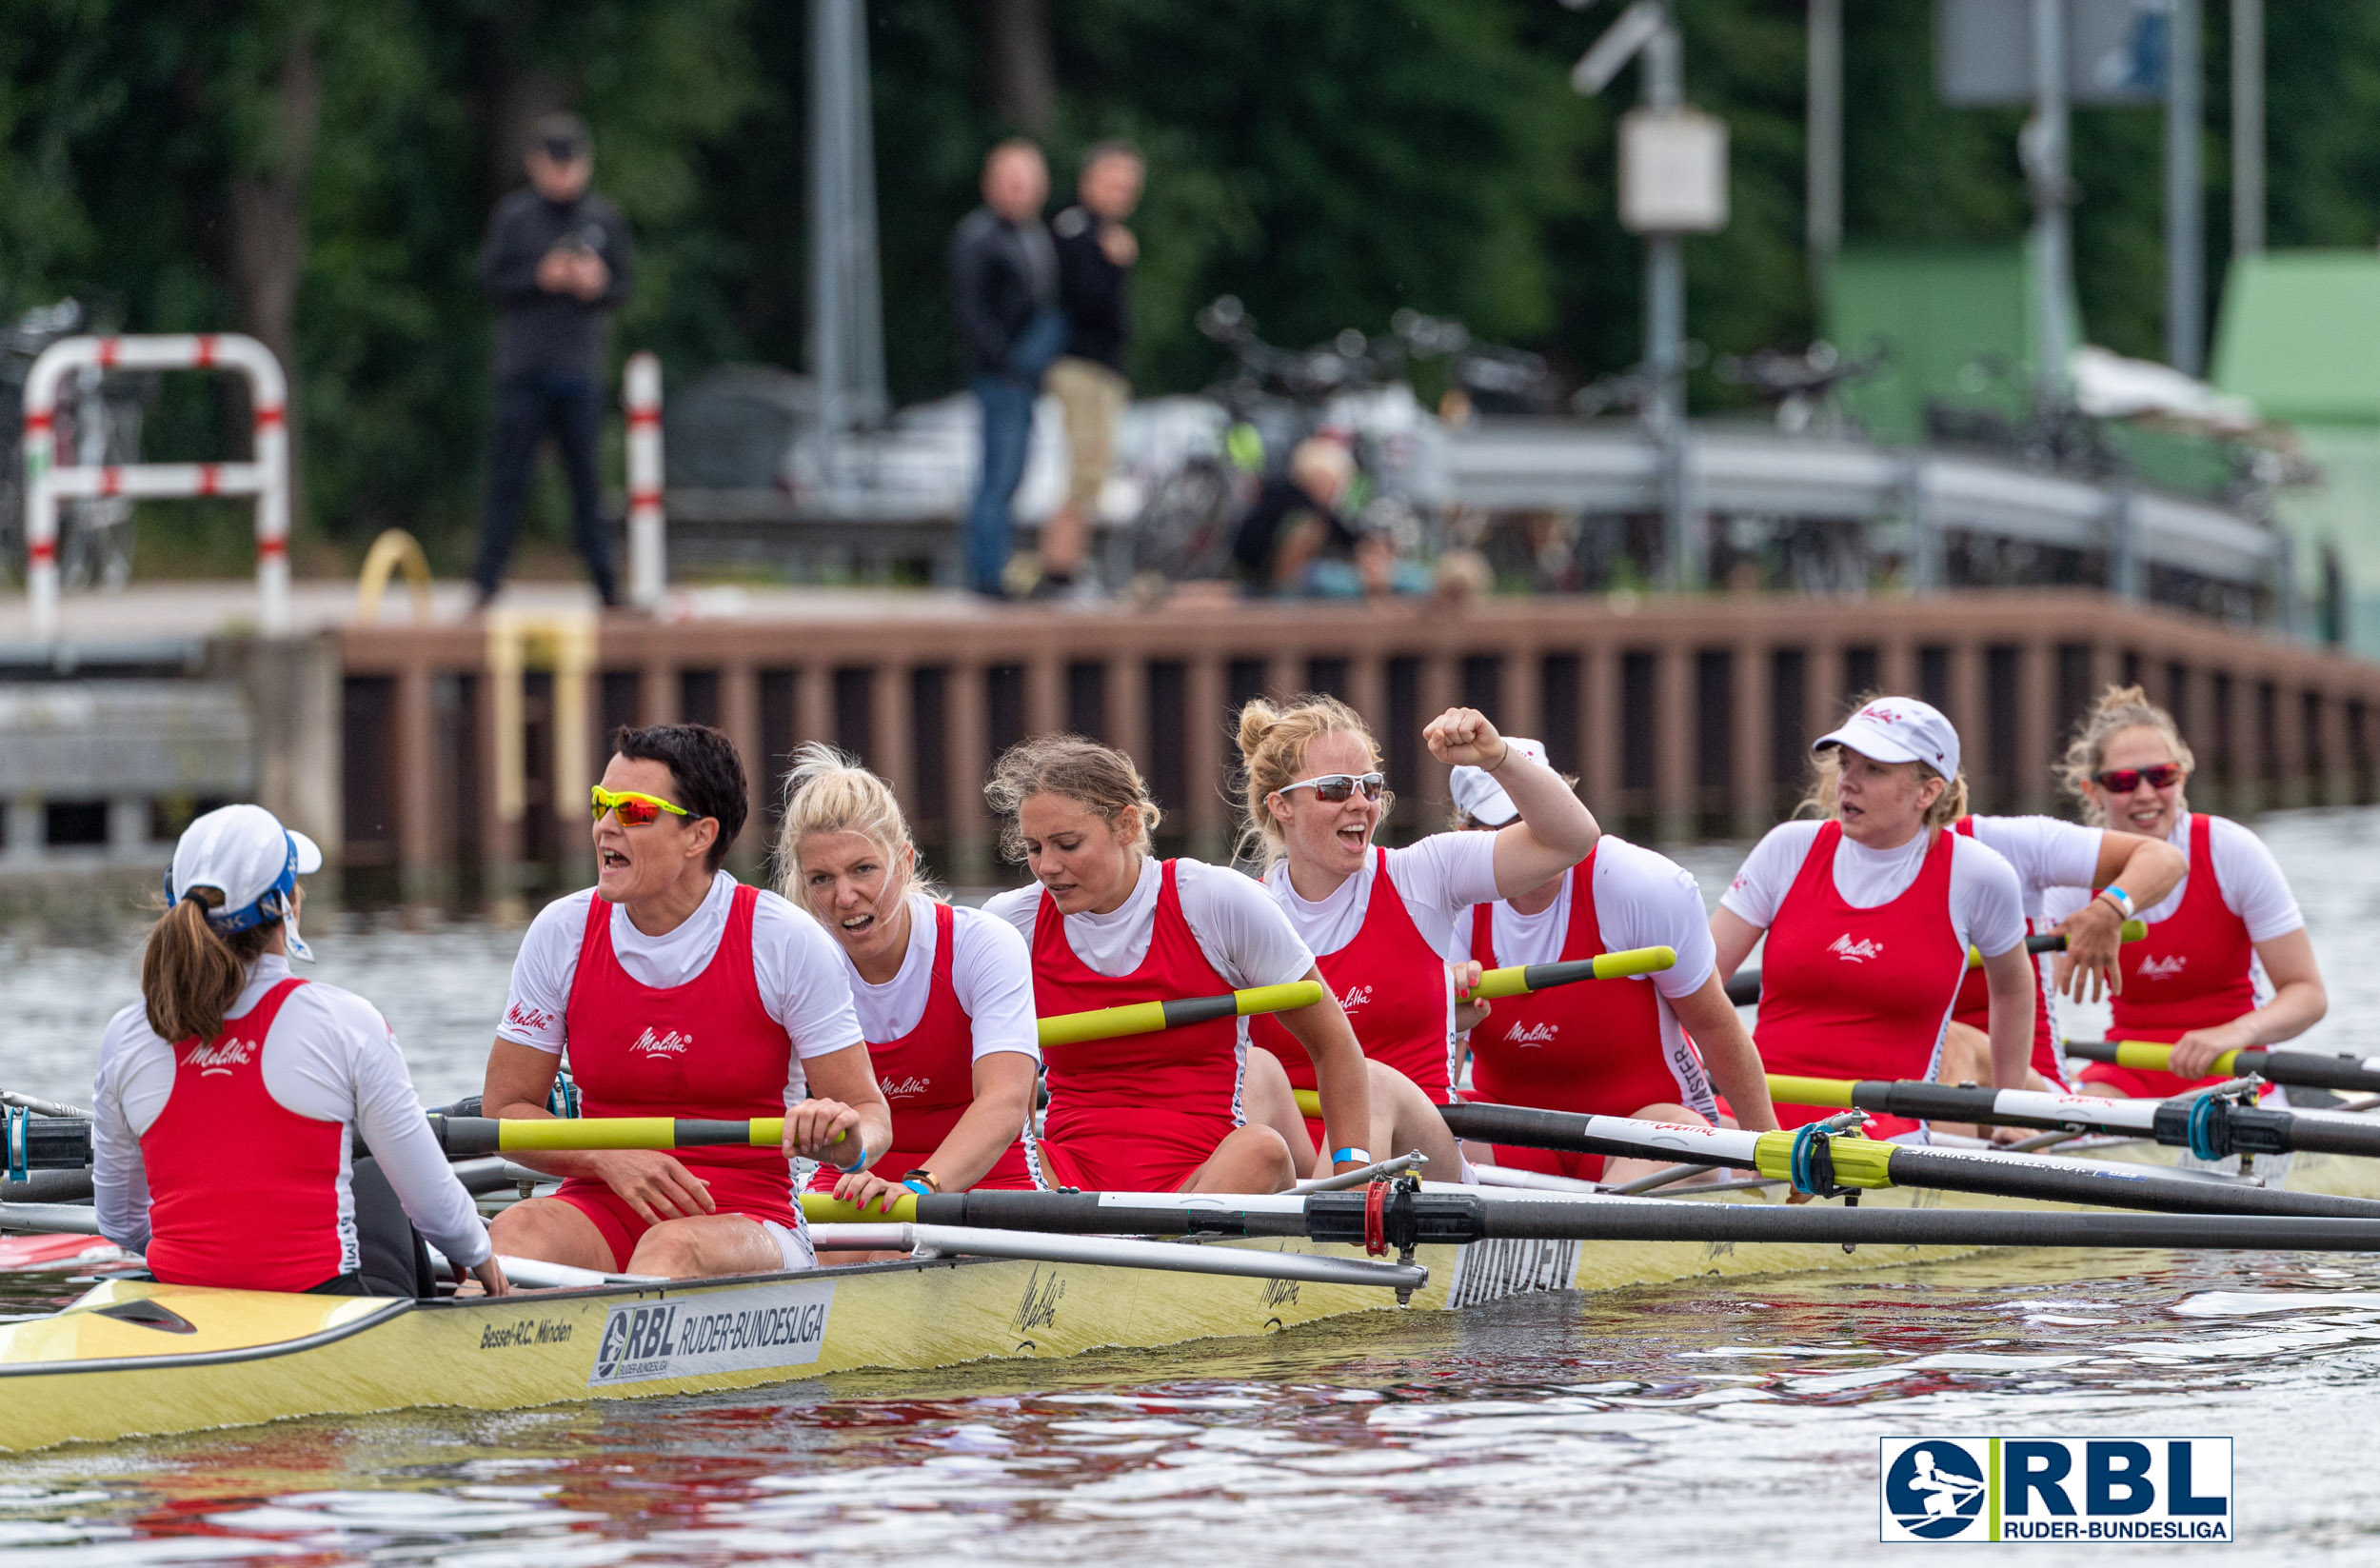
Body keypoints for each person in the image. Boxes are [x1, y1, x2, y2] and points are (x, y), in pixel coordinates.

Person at [482, 724, 889, 1280]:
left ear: (699, 836)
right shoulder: (563, 931)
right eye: (602, 805)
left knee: (671, 1249)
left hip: (753, 1216)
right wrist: (604, 1157)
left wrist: (842, 1140)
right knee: (514, 1231)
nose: (604, 827)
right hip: (603, 1201)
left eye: (634, 812)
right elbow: (505, 1111)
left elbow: (870, 1115)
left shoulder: (783, 941)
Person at [92, 805, 505, 1298]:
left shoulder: (128, 1035)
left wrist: (210, 1257)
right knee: (372, 1168)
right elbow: (431, 1201)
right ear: (288, 908)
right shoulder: (345, 1023)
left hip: (181, 1306)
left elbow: (118, 1221)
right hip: (320, 1307)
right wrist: (479, 1254)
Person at [980, 735, 1374, 1193]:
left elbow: (1333, 1044)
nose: (1047, 866)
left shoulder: (1214, 900)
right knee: (991, 1152)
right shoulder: (1011, 925)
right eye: (1034, 848)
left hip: (1202, 1176)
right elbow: (998, 1090)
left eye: (1067, 845)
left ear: (1127, 826)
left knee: (1263, 1148)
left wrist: (1353, 1176)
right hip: (1072, 1180)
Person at [1235, 698, 1596, 1176]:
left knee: (1370, 1082)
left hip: (1424, 1163)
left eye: (1370, 786)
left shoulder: (1421, 876)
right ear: (1281, 805)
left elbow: (1570, 839)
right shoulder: (1240, 911)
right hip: (1301, 1166)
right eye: (1337, 788)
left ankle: (1320, 1230)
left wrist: (1497, 757)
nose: (1361, 802)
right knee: (1255, 1070)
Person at [1446, 741, 1780, 1187]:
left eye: (1542, 815)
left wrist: (1770, 1150)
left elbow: (1714, 1024)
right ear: (1467, 834)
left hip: (1641, 1132)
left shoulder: (1637, 885)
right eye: (1510, 824)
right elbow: (1433, 1084)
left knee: (1675, 1143)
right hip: (1509, 1134)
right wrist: (1452, 1023)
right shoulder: (1449, 899)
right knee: (1418, 1137)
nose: (1539, 837)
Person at [1711, 697, 2032, 1139]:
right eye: (1846, 764)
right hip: (1757, 1107)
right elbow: (1699, 979)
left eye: (1874, 770)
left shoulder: (1978, 875)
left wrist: (2010, 1114)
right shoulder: (1787, 848)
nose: (1847, 783)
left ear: (1928, 791)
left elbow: (2013, 989)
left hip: (1881, 1124)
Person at [779, 744, 1043, 1215]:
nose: (844, 896)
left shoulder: (981, 944)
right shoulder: (796, 962)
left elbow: (1005, 1103)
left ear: (903, 860)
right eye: (820, 879)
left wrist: (920, 1189)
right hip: (850, 1181)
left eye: (863, 870)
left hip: (989, 1183)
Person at [2041, 685, 2327, 1099]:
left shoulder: (2231, 851)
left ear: (2182, 777)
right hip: (2128, 1067)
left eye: (2160, 776)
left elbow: (2308, 994)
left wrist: (2233, 1033)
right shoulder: (2073, 874)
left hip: (2231, 1065)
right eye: (2122, 782)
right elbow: (2029, 1000)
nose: (2144, 794)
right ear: (2093, 792)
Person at [472, 112, 635, 609]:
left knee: (587, 484)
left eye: (572, 164)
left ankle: (607, 587)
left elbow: (625, 288)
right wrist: (538, 279)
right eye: (554, 164)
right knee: (508, 479)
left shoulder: (603, 219)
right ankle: (485, 583)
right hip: (523, 371)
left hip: (579, 372)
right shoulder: (516, 218)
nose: (563, 174)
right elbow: (488, 282)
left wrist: (597, 285)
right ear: (536, 165)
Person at [1934, 812, 2187, 1091]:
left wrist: (2109, 909)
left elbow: (2167, 860)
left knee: (1949, 1042)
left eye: (1878, 770)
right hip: (1894, 1082)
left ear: (1929, 789)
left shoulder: (2005, 841)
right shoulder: (1875, 872)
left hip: (2023, 1089)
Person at [953, 139, 1067, 600]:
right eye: (1010, 179)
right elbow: (969, 311)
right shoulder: (978, 237)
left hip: (1025, 375)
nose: (1019, 189)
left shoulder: (1036, 235)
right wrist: (1008, 362)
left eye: (1027, 180)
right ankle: (986, 575)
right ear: (990, 184)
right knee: (997, 475)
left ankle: (997, 569)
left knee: (1015, 473)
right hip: (1000, 373)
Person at [1038, 141, 1145, 599]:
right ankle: (1058, 573)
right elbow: (1086, 300)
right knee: (1083, 469)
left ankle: (1068, 568)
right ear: (1088, 181)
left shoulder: (1100, 232)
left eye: (1128, 183)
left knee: (1093, 472)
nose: (1120, 190)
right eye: (1112, 179)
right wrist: (1116, 265)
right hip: (1080, 367)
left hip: (1100, 370)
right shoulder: (1076, 229)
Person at [1230, 439, 1359, 594]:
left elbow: (1340, 531)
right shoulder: (1299, 505)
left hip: (1252, 569)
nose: (1333, 490)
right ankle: (1283, 594)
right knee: (1309, 529)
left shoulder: (1292, 499)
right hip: (1259, 577)